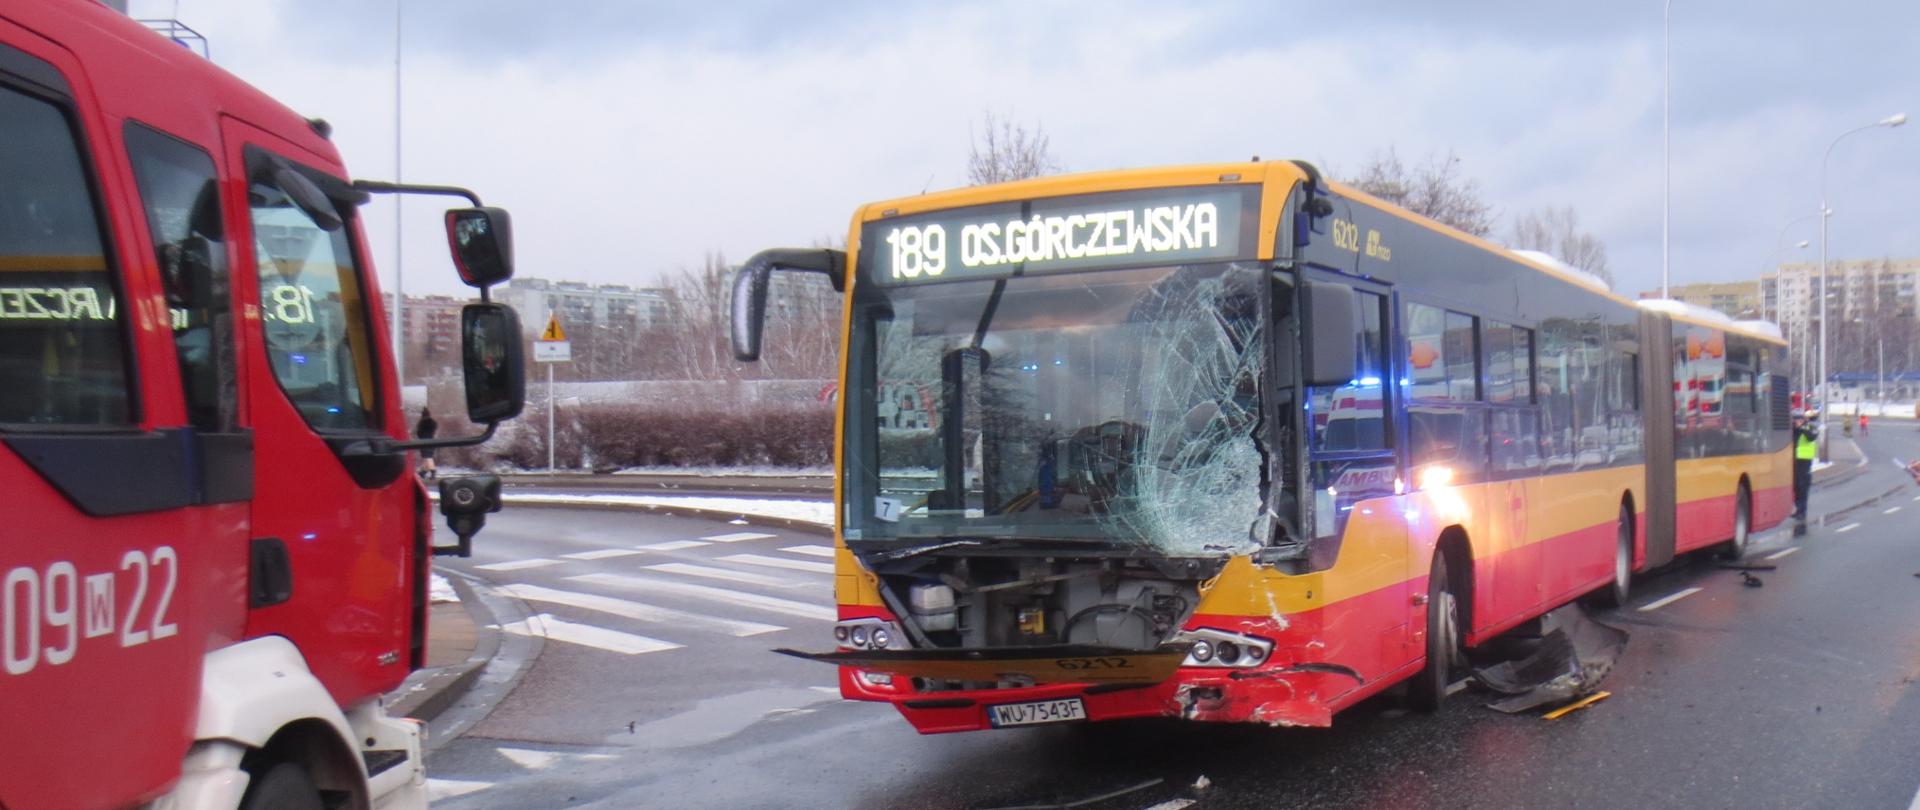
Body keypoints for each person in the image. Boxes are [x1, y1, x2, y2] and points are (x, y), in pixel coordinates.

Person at [1791, 409, 1818, 536]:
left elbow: (1812, 435)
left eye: (1798, 419)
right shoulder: (1793, 430)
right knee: (1795, 486)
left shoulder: (1809, 428)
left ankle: (1802, 511)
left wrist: (1802, 427)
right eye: (1795, 419)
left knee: (1803, 486)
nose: (1796, 421)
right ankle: (1798, 509)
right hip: (1793, 461)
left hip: (1804, 461)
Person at [415, 407, 439, 480]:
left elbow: (419, 432)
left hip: (424, 441)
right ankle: (423, 472)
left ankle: (433, 472)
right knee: (428, 457)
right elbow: (434, 430)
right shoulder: (433, 422)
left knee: (427, 457)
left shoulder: (422, 422)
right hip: (432, 441)